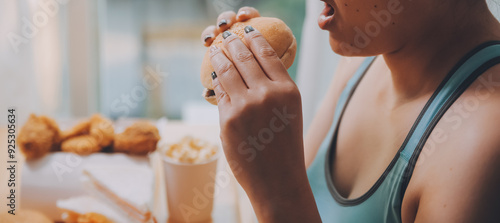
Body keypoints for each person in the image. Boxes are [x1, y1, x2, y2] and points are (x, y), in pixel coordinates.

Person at [201, 0, 500, 222]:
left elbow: (285, 197)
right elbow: (301, 192)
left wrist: (277, 194)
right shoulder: (366, 57)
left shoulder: (482, 144)